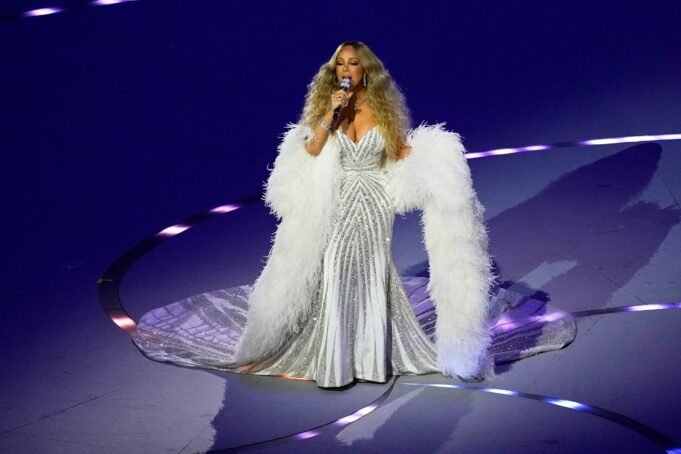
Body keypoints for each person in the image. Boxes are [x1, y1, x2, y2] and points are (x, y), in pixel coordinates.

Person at [132, 41, 576, 388]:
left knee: (372, 270)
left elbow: (399, 152)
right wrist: (331, 114)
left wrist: (438, 162)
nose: (346, 69)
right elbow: (311, 149)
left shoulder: (384, 110)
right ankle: (335, 358)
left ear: (367, 70)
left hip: (375, 202)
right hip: (340, 200)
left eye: (353, 64)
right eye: (340, 63)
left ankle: (371, 356)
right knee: (335, 267)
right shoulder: (329, 106)